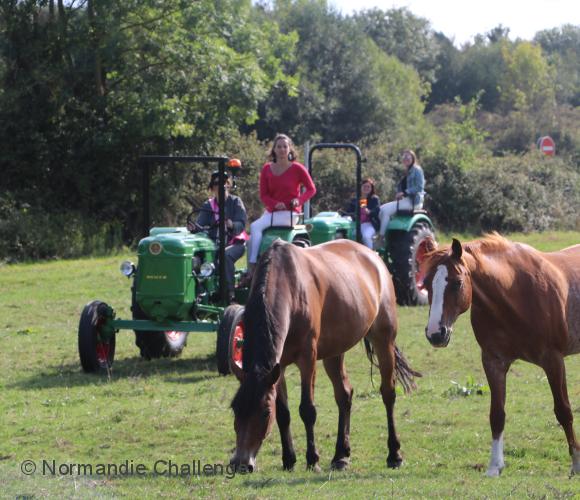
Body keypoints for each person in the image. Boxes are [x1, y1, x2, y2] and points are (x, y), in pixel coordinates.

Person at [245, 134, 316, 280]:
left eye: (285, 146)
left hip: (290, 213)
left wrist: (299, 200)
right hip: (272, 212)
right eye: (279, 146)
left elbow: (311, 189)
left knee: (255, 227)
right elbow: (264, 195)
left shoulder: (297, 168)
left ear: (290, 149)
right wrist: (274, 204)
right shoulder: (266, 169)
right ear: (274, 150)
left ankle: (252, 266)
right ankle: (254, 265)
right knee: (252, 236)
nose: (282, 149)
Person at [188, 171, 247, 302]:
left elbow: (242, 223)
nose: (221, 186)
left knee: (224, 256)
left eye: (224, 183)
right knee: (196, 259)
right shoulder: (208, 205)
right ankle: (199, 293)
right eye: (216, 183)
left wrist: (232, 224)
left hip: (234, 243)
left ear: (228, 185)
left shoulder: (236, 202)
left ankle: (229, 294)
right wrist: (194, 228)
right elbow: (200, 226)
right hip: (214, 244)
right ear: (212, 187)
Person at [377, 149, 425, 245]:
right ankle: (387, 234)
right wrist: (399, 193)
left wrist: (404, 193)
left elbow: (419, 187)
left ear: (413, 158)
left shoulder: (417, 170)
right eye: (404, 157)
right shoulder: (406, 172)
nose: (406, 158)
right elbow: (402, 187)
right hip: (405, 200)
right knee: (381, 209)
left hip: (413, 201)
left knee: (386, 211)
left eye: (408, 157)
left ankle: (381, 238)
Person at [345, 178, 381, 249]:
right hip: (357, 224)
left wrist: (369, 212)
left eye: (368, 187)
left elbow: (377, 210)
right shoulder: (355, 199)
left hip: (369, 223)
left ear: (371, 188)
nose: (366, 188)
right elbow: (348, 211)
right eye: (364, 186)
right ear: (361, 187)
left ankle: (370, 254)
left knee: (366, 236)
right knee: (351, 236)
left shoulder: (374, 199)